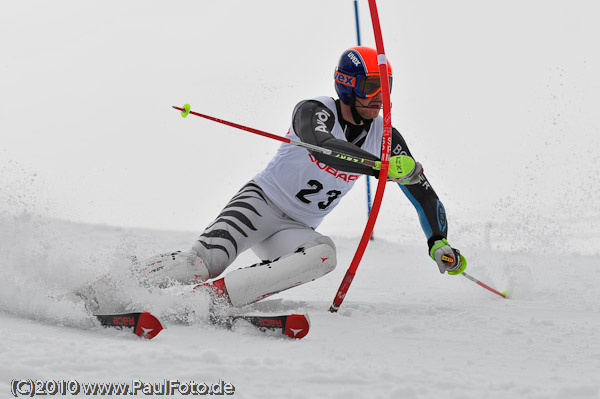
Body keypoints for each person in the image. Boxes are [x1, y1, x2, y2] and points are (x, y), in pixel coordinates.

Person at [120, 46, 466, 310]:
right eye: (372, 87)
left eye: (386, 88)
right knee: (203, 263)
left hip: (294, 228)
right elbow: (323, 147)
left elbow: (423, 194)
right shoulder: (314, 109)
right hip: (260, 204)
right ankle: (116, 284)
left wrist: (438, 241)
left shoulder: (386, 136)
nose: (380, 99)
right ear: (347, 85)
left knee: (323, 255)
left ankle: (215, 299)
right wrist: (379, 167)